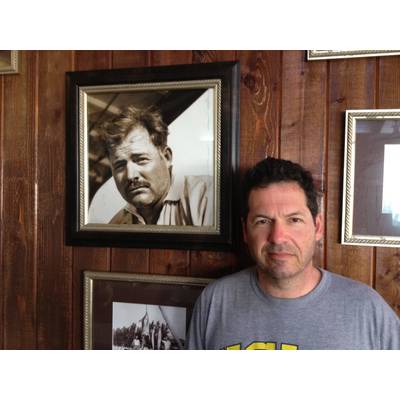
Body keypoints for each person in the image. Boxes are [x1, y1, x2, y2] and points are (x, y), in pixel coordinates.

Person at [187, 157, 400, 350]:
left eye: (294, 220)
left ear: (317, 227)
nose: (278, 237)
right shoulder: (215, 302)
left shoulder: (367, 309)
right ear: (245, 231)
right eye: (262, 221)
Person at [99, 106, 212, 225]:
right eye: (120, 166)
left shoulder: (207, 197)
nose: (131, 175)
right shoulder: (116, 225)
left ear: (167, 157)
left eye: (141, 160)